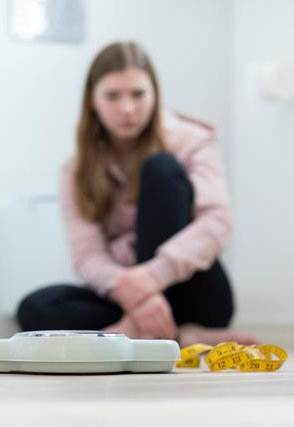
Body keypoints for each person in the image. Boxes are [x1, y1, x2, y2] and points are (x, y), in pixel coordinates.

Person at [15, 41, 258, 347]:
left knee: (162, 168)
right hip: (127, 295)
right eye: (113, 96)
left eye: (138, 94)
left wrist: (152, 277)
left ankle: (133, 333)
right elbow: (87, 255)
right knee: (35, 309)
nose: (127, 108)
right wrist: (131, 293)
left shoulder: (192, 140)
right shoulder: (75, 169)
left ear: (155, 95)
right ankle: (179, 336)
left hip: (192, 293)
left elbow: (217, 221)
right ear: (93, 100)